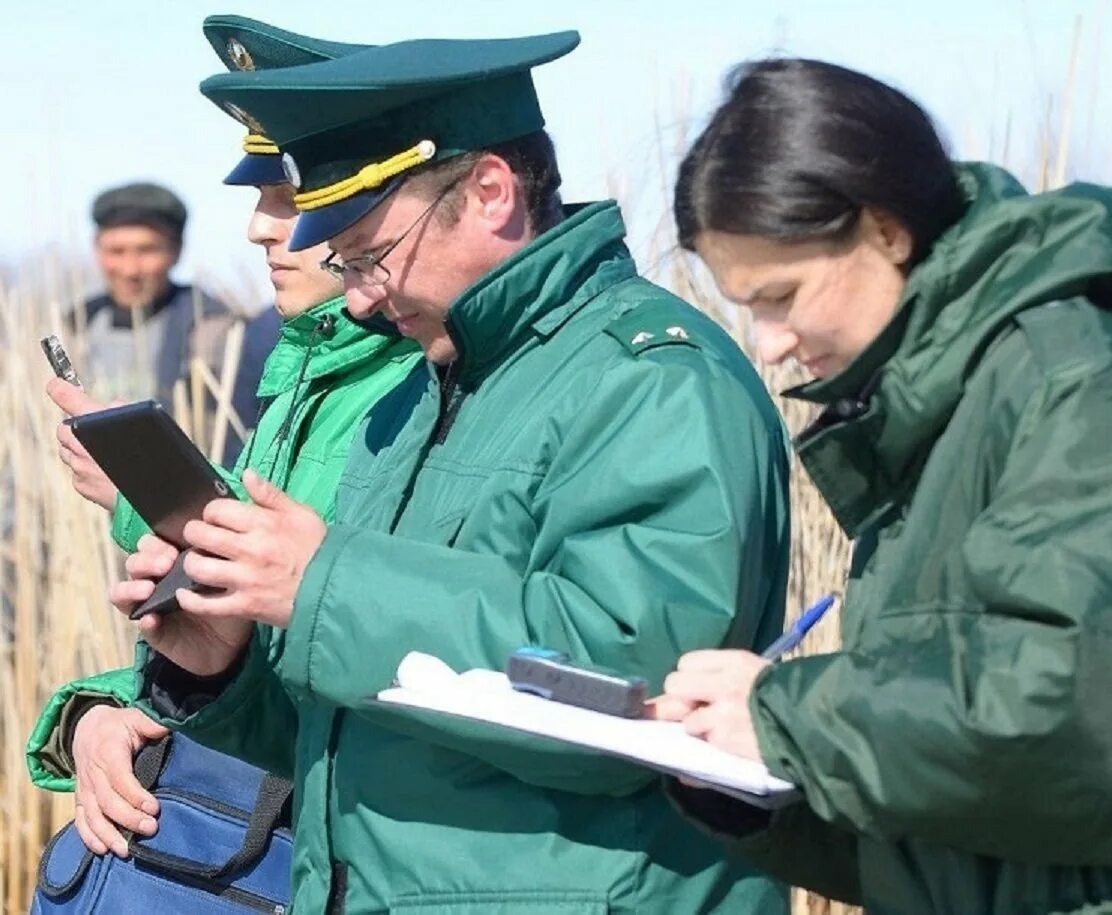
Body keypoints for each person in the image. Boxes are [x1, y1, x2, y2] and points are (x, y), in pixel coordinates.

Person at [110, 30, 794, 914]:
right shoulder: (418, 394)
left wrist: (321, 584)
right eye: (346, 264)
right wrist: (222, 668)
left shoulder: (652, 382)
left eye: (370, 254)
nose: (358, 295)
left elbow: (634, 691)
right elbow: (377, 724)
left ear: (489, 192)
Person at [653, 58, 1112, 914]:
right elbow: (958, 815)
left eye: (782, 296)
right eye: (744, 309)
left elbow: (1084, 719)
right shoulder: (929, 419)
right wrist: (739, 779)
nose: (769, 345)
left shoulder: (1083, 385)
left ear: (885, 231)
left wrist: (787, 716)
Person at [26, 15, 423, 865]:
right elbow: (239, 647)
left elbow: (317, 654)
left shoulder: (397, 379)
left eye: (287, 202)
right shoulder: (305, 361)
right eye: (257, 201)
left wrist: (148, 503)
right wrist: (103, 709)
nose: (257, 230)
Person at [81, 180, 253, 462]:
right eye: (116, 251)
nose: (130, 269)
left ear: (176, 251)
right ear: (97, 250)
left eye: (147, 250)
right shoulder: (75, 326)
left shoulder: (215, 330)